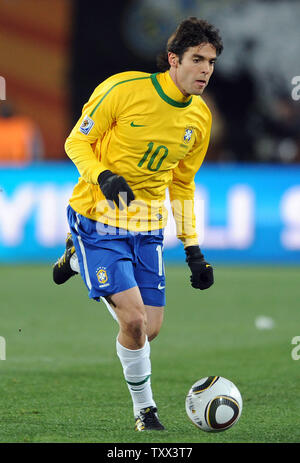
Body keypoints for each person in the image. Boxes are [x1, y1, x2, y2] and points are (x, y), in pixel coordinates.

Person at [53, 17, 223, 431]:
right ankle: (145, 411)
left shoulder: (199, 119)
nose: (205, 70)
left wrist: (193, 250)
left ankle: (77, 263)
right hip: (97, 217)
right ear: (172, 60)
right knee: (133, 322)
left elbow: (182, 184)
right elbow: (76, 140)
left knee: (151, 328)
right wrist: (104, 177)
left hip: (148, 225)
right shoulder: (123, 89)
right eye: (196, 59)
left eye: (212, 62)